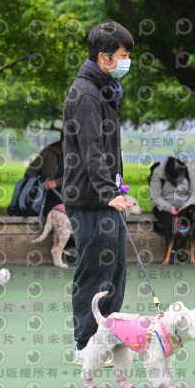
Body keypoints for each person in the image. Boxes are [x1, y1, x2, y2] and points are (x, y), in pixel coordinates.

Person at [63, 21, 134, 364]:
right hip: (90, 200)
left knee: (115, 270)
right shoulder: (86, 94)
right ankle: (84, 345)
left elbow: (106, 149)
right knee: (95, 272)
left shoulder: (104, 90)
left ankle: (105, 339)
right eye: (123, 55)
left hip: (106, 196)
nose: (127, 61)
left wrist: (116, 186)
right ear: (104, 57)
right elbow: (91, 150)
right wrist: (109, 190)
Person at [150, 156, 195, 263]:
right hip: (164, 206)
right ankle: (171, 251)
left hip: (185, 204)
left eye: (181, 175)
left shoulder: (188, 170)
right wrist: (169, 208)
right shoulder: (158, 173)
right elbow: (155, 197)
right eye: (176, 177)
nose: (179, 178)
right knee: (169, 220)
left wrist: (186, 205)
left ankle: (194, 250)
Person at [25, 136, 64, 217]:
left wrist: (56, 183)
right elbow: (31, 171)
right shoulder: (48, 152)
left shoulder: (78, 155)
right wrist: (41, 182)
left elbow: (78, 178)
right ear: (62, 143)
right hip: (46, 194)